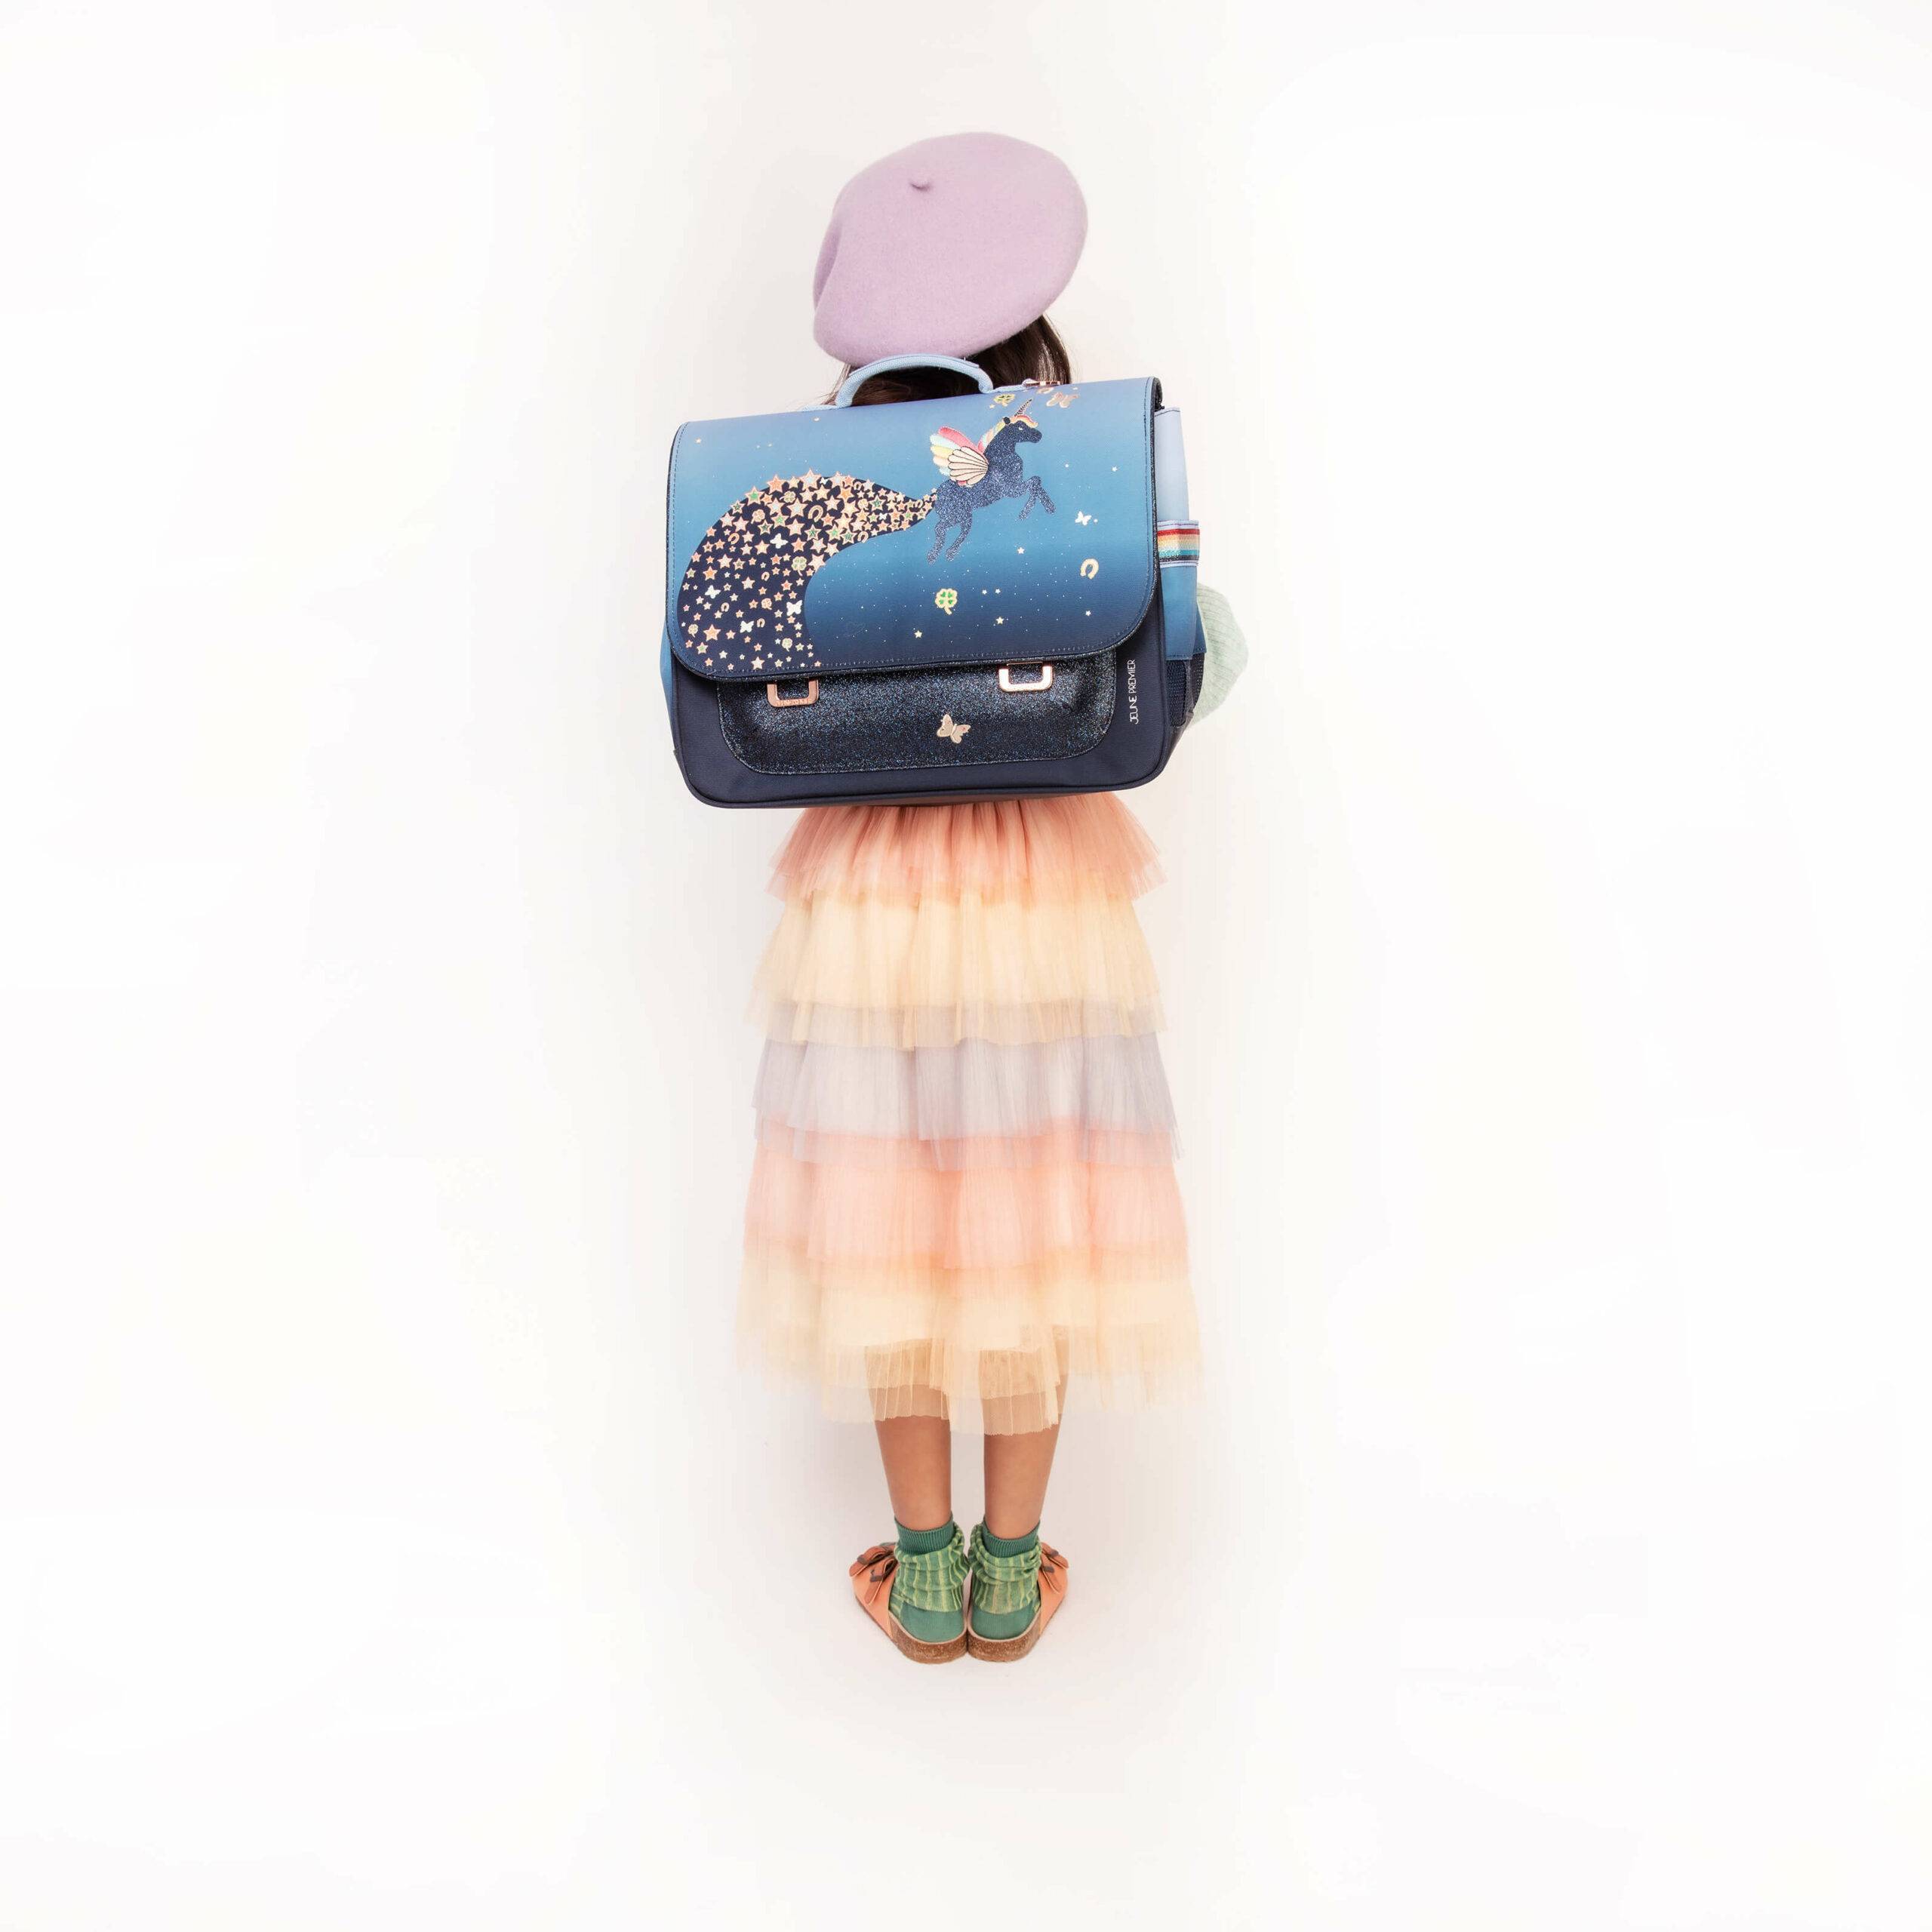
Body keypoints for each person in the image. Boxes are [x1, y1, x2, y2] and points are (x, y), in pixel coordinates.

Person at [734, 133, 1247, 1662]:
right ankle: (1011, 1576)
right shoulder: (1079, 470)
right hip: (1040, 898)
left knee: (885, 1215)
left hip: (871, 901)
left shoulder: (817, 481)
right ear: (1035, 348)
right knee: (1040, 1212)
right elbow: (1205, 660)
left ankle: (923, 1570)